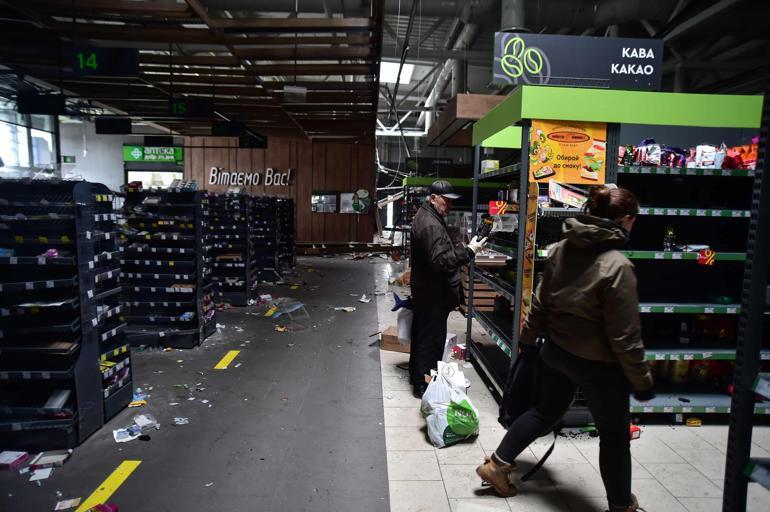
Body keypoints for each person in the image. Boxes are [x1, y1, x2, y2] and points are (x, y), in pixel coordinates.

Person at [476, 185, 654, 512]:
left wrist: (527, 342)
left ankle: (496, 465)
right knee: (614, 437)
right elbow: (625, 337)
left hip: (556, 353)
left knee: (542, 413)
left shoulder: (560, 249)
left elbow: (540, 304)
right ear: (626, 220)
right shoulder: (618, 267)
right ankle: (621, 506)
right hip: (598, 366)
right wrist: (641, 380)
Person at [409, 180, 486, 397]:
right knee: (431, 341)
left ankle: (417, 376)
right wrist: (469, 251)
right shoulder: (430, 224)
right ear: (433, 198)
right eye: (446, 200)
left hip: (427, 291)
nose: (449, 205)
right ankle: (424, 385)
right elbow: (440, 261)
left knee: (422, 336)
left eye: (451, 201)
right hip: (433, 293)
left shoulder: (427, 216)